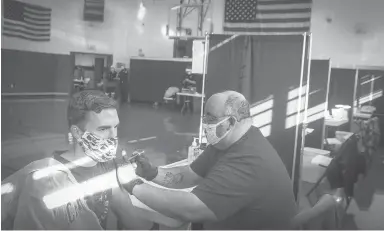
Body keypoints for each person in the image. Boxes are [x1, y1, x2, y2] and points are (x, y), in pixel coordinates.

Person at [123, 91, 298, 230]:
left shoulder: (249, 160)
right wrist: (153, 172)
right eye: (204, 118)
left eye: (210, 119)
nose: (205, 124)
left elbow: (191, 208)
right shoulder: (226, 142)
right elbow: (190, 174)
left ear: (230, 122)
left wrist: (133, 186)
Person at [1, 90, 153, 230]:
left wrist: (130, 182)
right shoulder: (46, 182)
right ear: (77, 133)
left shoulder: (108, 167)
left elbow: (134, 223)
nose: (113, 136)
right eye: (103, 128)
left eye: (116, 127)